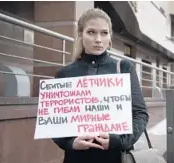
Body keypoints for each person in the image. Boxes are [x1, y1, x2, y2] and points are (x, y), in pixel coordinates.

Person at [52, 8, 149, 163]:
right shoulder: (64, 74)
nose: (98, 39)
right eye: (91, 32)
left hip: (115, 157)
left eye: (104, 33)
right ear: (80, 35)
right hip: (76, 159)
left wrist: (119, 141)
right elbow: (53, 121)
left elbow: (140, 114)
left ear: (110, 36)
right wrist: (70, 143)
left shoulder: (124, 67)